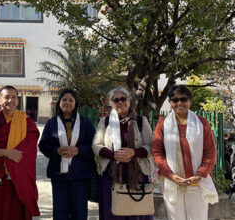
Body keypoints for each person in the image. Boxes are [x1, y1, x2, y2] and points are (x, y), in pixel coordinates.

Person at [152, 85, 218, 220]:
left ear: (190, 101)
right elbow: (157, 153)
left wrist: (200, 174)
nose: (179, 103)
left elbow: (210, 153)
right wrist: (170, 175)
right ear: (170, 103)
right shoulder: (163, 124)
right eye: (175, 100)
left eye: (183, 99)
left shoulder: (201, 123)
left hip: (196, 182)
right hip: (173, 182)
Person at [0, 85, 40, 220]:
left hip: (18, 178)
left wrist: (16, 163)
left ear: (18, 101)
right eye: (6, 97)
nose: (10, 100)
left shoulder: (26, 122)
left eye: (14, 97)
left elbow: (29, 152)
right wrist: (7, 153)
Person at [92, 86, 153, 220]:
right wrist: (114, 155)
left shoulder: (141, 121)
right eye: (116, 100)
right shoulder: (105, 122)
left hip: (137, 175)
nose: (120, 102)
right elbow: (96, 145)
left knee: (137, 211)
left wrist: (133, 152)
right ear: (111, 104)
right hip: (111, 175)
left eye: (123, 99)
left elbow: (150, 146)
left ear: (129, 100)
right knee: (112, 212)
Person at [38, 89, 95, 220]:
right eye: (64, 100)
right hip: (59, 174)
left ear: (76, 103)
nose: (67, 103)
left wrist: (78, 150)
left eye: (71, 100)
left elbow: (94, 146)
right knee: (60, 211)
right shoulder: (51, 123)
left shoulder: (85, 123)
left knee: (79, 211)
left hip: (80, 175)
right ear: (59, 102)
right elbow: (43, 145)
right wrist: (56, 151)